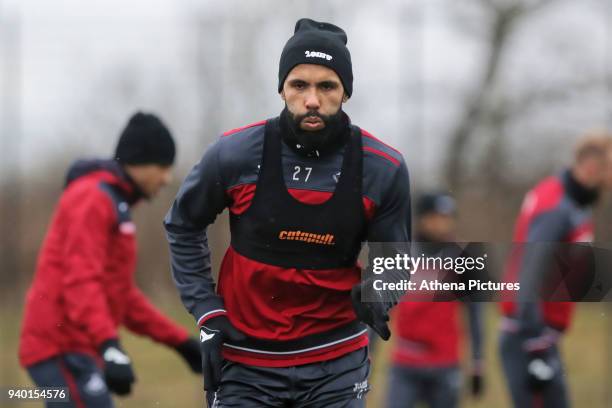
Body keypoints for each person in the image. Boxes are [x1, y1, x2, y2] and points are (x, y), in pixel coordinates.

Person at [164, 18, 411, 407]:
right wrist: (207, 311)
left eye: (327, 86)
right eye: (299, 85)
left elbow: (394, 259)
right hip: (245, 361)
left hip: (337, 361)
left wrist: (379, 292)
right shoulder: (234, 154)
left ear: (346, 92)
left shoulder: (382, 168)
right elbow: (182, 225)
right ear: (281, 88)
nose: (312, 99)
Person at [19, 112, 202, 408]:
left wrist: (180, 343)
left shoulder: (115, 205)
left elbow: (121, 295)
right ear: (140, 162)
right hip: (59, 347)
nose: (167, 178)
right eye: (163, 166)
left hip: (79, 348)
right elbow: (80, 281)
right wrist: (110, 346)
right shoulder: (92, 199)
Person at [499, 133, 612, 408]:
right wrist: (536, 348)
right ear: (592, 165)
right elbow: (530, 273)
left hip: (542, 336)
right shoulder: (556, 205)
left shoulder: (576, 203)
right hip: (528, 336)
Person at [386, 192, 484, 408]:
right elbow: (379, 309)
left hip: (445, 365)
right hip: (405, 365)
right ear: (422, 218)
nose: (442, 224)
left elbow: (475, 313)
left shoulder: (463, 256)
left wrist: (477, 363)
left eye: (447, 217)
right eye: (436, 217)